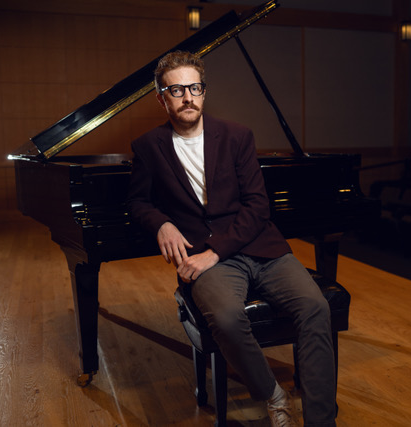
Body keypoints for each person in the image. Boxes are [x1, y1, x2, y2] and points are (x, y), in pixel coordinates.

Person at [127, 50, 337, 427]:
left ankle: (321, 421)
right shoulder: (147, 146)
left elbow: (258, 206)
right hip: (203, 256)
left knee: (315, 307)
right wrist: (161, 223)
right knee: (225, 318)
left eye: (194, 88)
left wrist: (214, 253)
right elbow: (138, 202)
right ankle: (273, 395)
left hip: (259, 247)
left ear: (204, 92)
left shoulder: (237, 135)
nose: (187, 97)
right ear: (161, 98)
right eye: (176, 91)